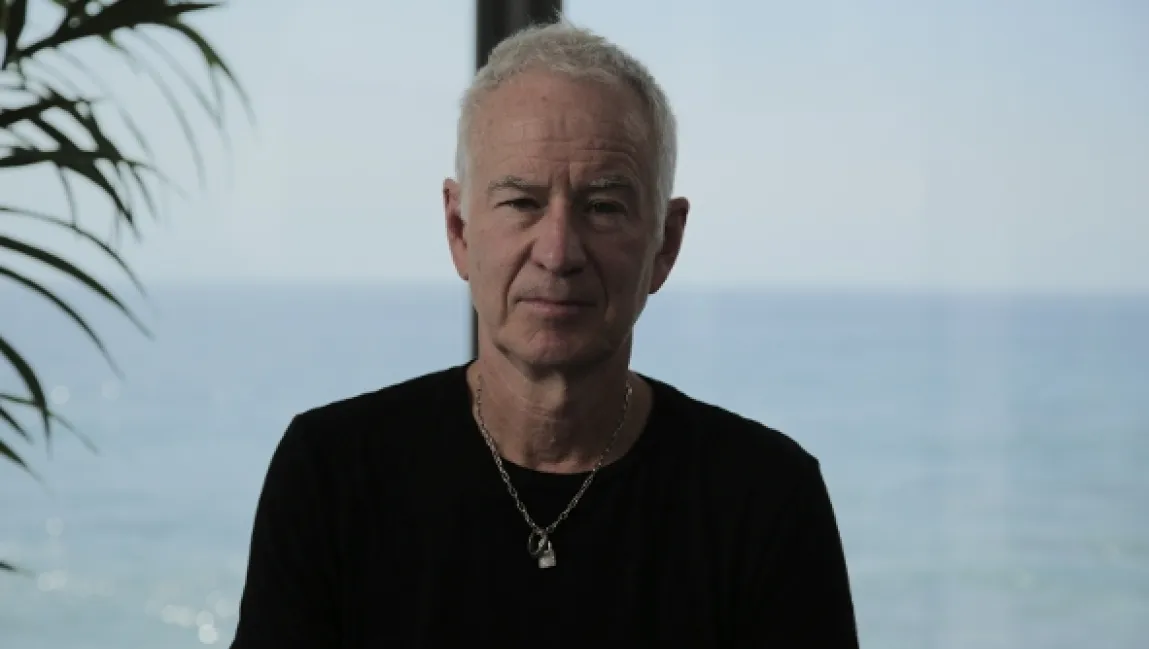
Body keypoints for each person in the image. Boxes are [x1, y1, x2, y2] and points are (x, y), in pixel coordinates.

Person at [230, 22, 858, 648]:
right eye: (522, 203)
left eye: (602, 207)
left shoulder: (766, 498)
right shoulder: (331, 476)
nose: (558, 254)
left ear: (665, 243)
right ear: (459, 230)